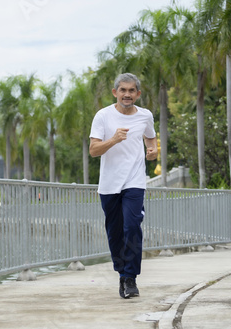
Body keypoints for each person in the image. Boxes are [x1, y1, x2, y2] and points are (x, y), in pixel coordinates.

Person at [89, 73, 157, 299]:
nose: (127, 94)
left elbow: (150, 137)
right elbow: (94, 150)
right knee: (115, 232)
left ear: (137, 94)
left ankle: (130, 278)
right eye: (123, 90)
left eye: (131, 91)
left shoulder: (145, 116)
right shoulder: (103, 116)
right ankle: (122, 274)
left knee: (132, 225)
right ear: (115, 92)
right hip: (109, 184)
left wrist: (153, 149)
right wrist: (114, 140)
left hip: (135, 181)